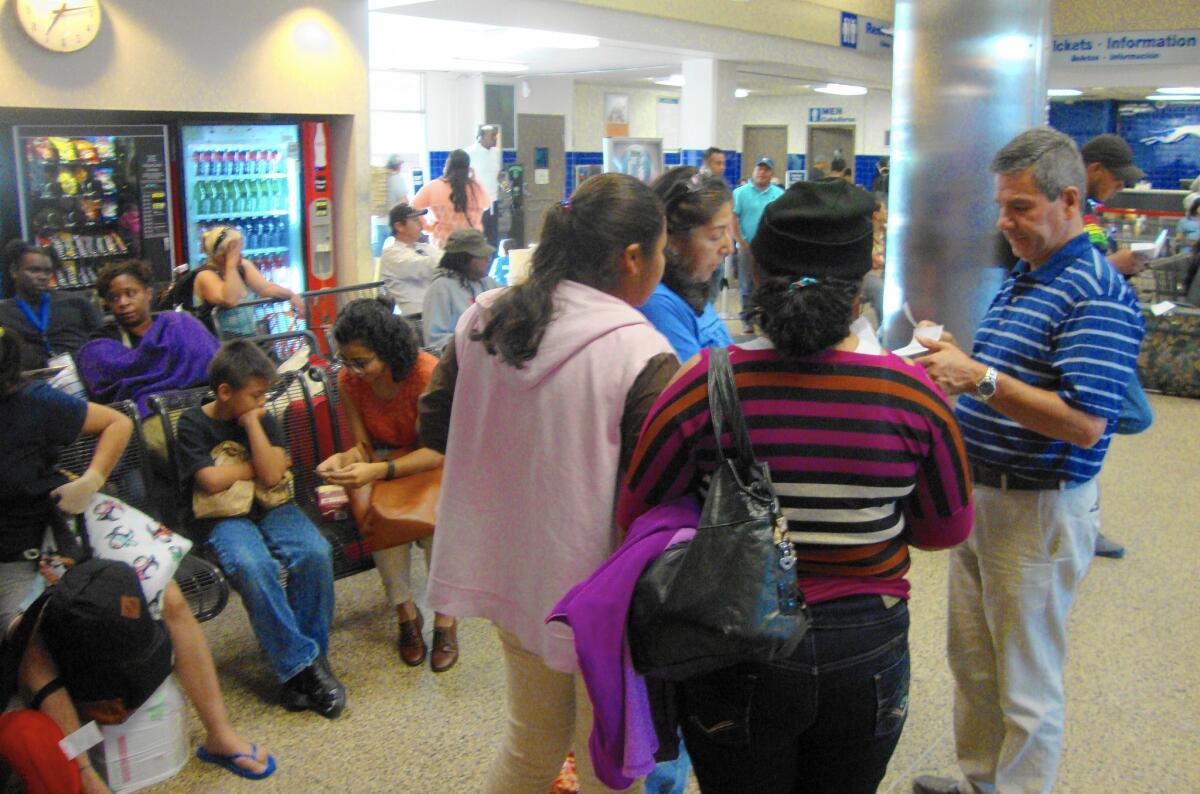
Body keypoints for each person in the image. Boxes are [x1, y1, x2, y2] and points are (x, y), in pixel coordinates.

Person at [619, 178, 973, 793]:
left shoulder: (701, 383)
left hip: (732, 640)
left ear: (755, 269)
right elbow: (947, 530)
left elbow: (638, 512)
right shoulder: (915, 396)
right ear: (861, 284)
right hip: (864, 643)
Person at [418, 173, 678, 792]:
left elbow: (435, 424)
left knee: (531, 745)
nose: (663, 265)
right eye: (662, 251)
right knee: (610, 761)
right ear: (633, 257)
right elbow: (660, 490)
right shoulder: (639, 352)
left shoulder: (488, 316)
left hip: (510, 571)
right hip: (600, 593)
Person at [911, 128, 1144, 794]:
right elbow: (1014, 379)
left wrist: (979, 377)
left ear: (1069, 198)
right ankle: (982, 781)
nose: (1004, 222)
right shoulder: (1030, 276)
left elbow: (1081, 422)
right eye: (1001, 206)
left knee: (1026, 681)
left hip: (1036, 507)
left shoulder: (1094, 291)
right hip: (983, 497)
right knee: (976, 665)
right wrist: (959, 362)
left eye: (1019, 207)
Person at [0, 328, 274, 791]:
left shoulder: (33, 402)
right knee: (27, 643)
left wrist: (91, 479)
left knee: (167, 596)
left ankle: (220, 733)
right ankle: (85, 775)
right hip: (10, 556)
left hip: (67, 520)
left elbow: (116, 424)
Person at [175, 340, 345, 719]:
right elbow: (210, 481)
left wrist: (252, 423)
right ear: (224, 392)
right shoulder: (192, 423)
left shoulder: (262, 417)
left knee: (314, 552)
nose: (262, 401)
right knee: (255, 567)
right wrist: (254, 464)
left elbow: (271, 476)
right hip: (223, 518)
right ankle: (307, 668)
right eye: (254, 395)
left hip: (273, 507)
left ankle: (302, 669)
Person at [315, 299, 456, 671]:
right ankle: (407, 616)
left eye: (362, 361)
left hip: (430, 462)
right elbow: (363, 446)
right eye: (346, 361)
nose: (353, 370)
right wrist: (344, 460)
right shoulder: (349, 382)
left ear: (388, 349)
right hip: (389, 462)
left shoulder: (426, 373)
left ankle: (446, 619)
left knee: (435, 534)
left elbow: (438, 452)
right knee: (380, 524)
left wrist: (376, 471)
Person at [1080, 133, 1155, 559]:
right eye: (1118, 181)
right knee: (1119, 417)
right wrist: (1115, 265)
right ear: (1095, 171)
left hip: (1107, 329)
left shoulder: (1088, 212)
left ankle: (1085, 518)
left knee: (1099, 428)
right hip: (1091, 333)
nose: (1121, 188)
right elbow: (1062, 269)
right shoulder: (1069, 209)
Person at [75, 259, 218, 415]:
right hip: (146, 419)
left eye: (130, 294)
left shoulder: (179, 325)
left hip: (201, 406)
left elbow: (214, 363)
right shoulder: (101, 343)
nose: (123, 303)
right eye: (114, 298)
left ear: (148, 293)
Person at [639, 167, 733, 362]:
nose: (728, 247)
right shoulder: (657, 304)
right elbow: (701, 386)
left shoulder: (690, 287)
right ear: (671, 239)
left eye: (728, 231)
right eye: (716, 235)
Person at [0, 240, 102, 370]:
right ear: (14, 271)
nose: (42, 277)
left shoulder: (77, 302)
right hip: (31, 380)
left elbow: (103, 341)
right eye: (34, 270)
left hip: (83, 372)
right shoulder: (3, 312)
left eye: (47, 272)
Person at [193, 226, 304, 336]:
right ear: (221, 256)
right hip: (221, 343)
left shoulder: (243, 266)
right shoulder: (205, 276)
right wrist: (231, 265)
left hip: (248, 337)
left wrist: (291, 295)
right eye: (236, 251)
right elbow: (230, 300)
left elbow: (265, 288)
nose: (241, 255)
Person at [422, 228, 498, 353]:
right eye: (481, 255)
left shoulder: (488, 283)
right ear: (464, 259)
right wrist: (474, 346)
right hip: (461, 361)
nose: (488, 259)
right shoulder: (441, 288)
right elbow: (435, 340)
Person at [731, 158, 785, 334]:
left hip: (770, 249)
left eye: (766, 169)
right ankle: (747, 318)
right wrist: (741, 242)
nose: (762, 172)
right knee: (747, 285)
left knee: (769, 283)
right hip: (747, 248)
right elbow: (733, 219)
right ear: (753, 171)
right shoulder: (740, 193)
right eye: (759, 169)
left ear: (772, 173)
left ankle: (767, 318)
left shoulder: (779, 194)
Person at [378, 203, 440, 331]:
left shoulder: (424, 247)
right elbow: (427, 267)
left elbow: (444, 261)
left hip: (435, 314)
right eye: (415, 220)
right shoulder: (392, 253)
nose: (421, 224)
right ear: (399, 226)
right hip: (416, 319)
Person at [411, 149, 489, 247]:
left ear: (447, 165)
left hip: (443, 244)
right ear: (468, 167)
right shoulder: (476, 188)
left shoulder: (433, 187)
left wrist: (428, 227)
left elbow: (413, 208)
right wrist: (474, 179)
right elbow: (486, 205)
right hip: (471, 244)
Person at [464, 124, 503, 246]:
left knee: (493, 238)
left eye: (496, 135)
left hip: (493, 202)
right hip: (476, 203)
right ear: (481, 137)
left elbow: (499, 177)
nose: (495, 138)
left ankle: (491, 262)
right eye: (492, 135)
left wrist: (508, 189)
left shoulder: (496, 153)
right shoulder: (469, 153)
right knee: (477, 237)